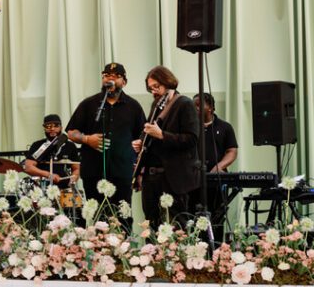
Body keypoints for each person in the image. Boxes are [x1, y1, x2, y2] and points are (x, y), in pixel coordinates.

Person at [66, 62, 146, 206]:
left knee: (122, 216)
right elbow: (71, 132)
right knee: (97, 218)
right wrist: (86, 139)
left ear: (124, 82)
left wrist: (140, 172)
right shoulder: (89, 104)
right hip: (93, 172)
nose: (110, 79)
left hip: (122, 172)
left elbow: (142, 140)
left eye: (116, 76)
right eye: (106, 75)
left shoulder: (134, 106)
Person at [131, 66, 201, 228]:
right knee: (150, 225)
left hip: (173, 178)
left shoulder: (184, 104)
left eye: (157, 86)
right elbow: (149, 133)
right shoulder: (156, 105)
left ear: (167, 82)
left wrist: (162, 135)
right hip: (151, 177)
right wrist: (141, 143)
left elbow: (191, 139)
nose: (154, 91)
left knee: (177, 224)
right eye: (151, 88)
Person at [189, 92, 239, 236]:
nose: (195, 108)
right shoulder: (191, 128)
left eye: (199, 105)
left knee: (216, 219)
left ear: (210, 107)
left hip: (216, 180)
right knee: (194, 218)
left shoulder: (224, 127)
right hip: (194, 181)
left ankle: (216, 251)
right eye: (194, 106)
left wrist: (219, 166)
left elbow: (232, 151)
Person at [24, 114, 80, 187]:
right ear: (44, 128)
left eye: (56, 126)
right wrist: (48, 175)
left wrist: (73, 180)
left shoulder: (70, 146)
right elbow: (28, 167)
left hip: (64, 188)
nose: (52, 129)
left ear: (61, 128)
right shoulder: (37, 145)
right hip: (42, 188)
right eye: (48, 126)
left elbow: (76, 169)